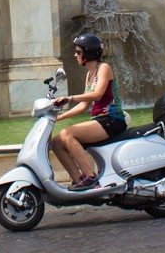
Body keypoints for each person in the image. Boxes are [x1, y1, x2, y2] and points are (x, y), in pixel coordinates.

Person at [50, 33, 127, 190]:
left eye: (78, 52)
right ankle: (78, 180)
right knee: (56, 142)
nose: (75, 55)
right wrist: (58, 117)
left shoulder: (103, 68)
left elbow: (97, 95)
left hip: (112, 119)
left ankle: (90, 176)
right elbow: (84, 105)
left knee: (67, 134)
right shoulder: (89, 74)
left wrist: (70, 98)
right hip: (100, 121)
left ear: (88, 52)